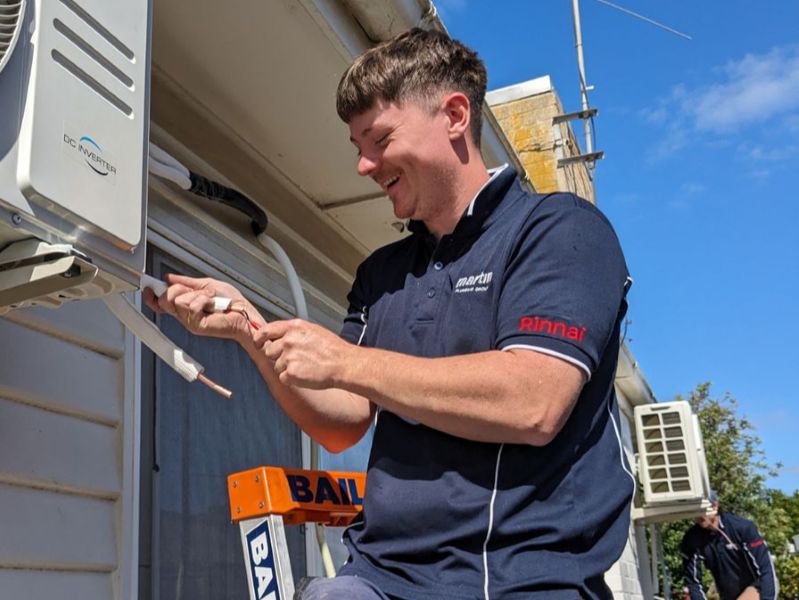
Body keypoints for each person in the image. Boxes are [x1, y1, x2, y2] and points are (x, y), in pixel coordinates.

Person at [146, 28, 634, 599]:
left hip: (521, 581)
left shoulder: (559, 229)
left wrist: (347, 363)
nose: (363, 165)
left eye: (377, 139)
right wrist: (248, 329)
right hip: (380, 578)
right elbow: (342, 422)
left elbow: (534, 400)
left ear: (454, 114)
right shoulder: (381, 274)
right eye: (358, 146)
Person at [680, 494, 779, 600]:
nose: (699, 516)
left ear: (715, 507)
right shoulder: (691, 539)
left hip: (758, 585)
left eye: (702, 510)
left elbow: (766, 569)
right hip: (727, 594)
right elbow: (693, 583)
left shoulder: (743, 528)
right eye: (695, 511)